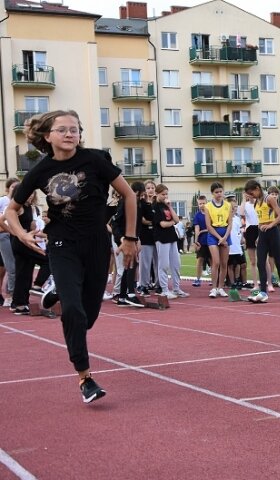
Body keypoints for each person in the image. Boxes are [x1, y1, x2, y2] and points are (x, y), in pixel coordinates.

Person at [5, 110, 138, 403]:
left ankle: (58, 294)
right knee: (74, 314)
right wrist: (22, 234)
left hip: (97, 245)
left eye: (74, 129)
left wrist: (129, 238)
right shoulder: (39, 170)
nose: (70, 134)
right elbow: (10, 212)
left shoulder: (95, 160)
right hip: (62, 244)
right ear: (47, 136)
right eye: (62, 129)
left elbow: (129, 195)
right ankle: (85, 378)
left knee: (86, 318)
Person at [242, 180, 280, 302]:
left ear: (257, 188)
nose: (251, 196)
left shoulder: (269, 198)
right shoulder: (257, 202)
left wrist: (271, 225)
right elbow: (260, 220)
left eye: (252, 193)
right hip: (262, 234)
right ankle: (263, 292)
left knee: (278, 261)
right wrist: (258, 235)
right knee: (260, 262)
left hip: (273, 233)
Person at [8, 192, 51, 315]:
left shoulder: (31, 208)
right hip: (22, 242)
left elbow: (32, 227)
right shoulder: (18, 206)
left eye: (33, 194)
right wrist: (17, 233)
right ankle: (37, 285)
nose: (31, 196)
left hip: (27, 241)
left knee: (24, 273)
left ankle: (19, 304)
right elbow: (2, 220)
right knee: (48, 259)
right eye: (29, 193)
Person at [153, 184, 188, 299]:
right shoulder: (155, 207)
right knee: (163, 265)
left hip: (172, 237)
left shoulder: (166, 206)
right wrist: (172, 223)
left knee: (176, 264)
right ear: (157, 194)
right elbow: (162, 224)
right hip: (162, 238)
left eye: (166, 194)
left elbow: (177, 220)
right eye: (163, 194)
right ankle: (164, 289)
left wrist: (170, 207)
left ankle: (176, 288)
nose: (165, 196)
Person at [205, 182, 232, 298]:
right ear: (212, 193)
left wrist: (225, 237)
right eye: (216, 192)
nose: (219, 194)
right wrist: (219, 238)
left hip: (225, 233)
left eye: (220, 191)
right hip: (213, 235)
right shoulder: (208, 206)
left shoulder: (228, 205)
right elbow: (208, 226)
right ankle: (214, 288)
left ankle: (221, 287)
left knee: (224, 263)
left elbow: (230, 223)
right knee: (215, 262)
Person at [0, 178, 20, 308]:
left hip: (15, 236)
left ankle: (12, 293)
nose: (15, 189)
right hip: (3, 235)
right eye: (13, 187)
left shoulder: (21, 201)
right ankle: (8, 294)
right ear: (8, 188)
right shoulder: (3, 201)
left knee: (10, 267)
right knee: (7, 267)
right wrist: (9, 231)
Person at [138, 179, 157, 296]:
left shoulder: (158, 203)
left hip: (157, 236)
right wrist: (153, 221)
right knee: (145, 263)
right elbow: (143, 220)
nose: (151, 190)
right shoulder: (141, 203)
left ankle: (158, 284)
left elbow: (158, 219)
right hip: (145, 236)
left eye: (152, 188)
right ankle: (143, 285)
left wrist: (153, 221)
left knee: (158, 262)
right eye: (148, 188)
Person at [240, 191, 259, 289]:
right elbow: (241, 213)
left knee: (264, 260)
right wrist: (244, 199)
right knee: (252, 261)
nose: (250, 195)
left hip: (260, 228)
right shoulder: (245, 204)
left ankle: (269, 282)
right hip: (250, 230)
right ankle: (256, 284)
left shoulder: (259, 203)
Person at [191, 195, 210, 287]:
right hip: (202, 241)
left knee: (213, 261)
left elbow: (213, 227)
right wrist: (196, 241)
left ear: (207, 203)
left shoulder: (211, 213)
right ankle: (198, 279)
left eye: (203, 203)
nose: (202, 205)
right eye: (200, 204)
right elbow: (196, 229)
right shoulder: (197, 215)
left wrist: (205, 230)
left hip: (211, 240)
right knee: (200, 260)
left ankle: (215, 280)